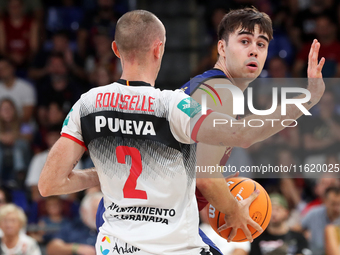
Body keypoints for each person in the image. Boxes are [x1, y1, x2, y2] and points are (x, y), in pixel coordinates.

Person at [38, 9, 325, 255]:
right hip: (163, 234)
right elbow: (208, 175)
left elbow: (48, 184)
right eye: (245, 41)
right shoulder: (209, 94)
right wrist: (233, 209)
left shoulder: (90, 103)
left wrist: (105, 172)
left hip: (117, 229)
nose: (254, 50)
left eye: (261, 44)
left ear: (116, 49)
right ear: (221, 49)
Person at [301, 186, 340, 255]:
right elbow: (296, 229)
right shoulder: (314, 213)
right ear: (325, 201)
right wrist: (303, 238)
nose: (337, 208)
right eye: (333, 204)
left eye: (339, 204)